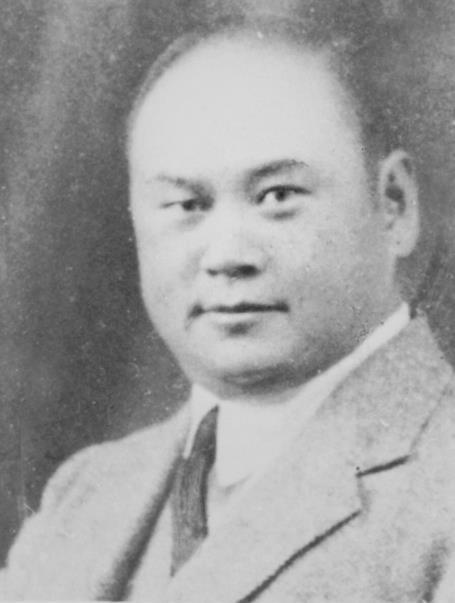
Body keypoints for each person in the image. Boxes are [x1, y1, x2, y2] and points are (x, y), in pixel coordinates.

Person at [2, 2, 455, 601]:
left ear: (393, 205)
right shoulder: (81, 494)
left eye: (278, 196)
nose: (227, 255)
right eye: (186, 206)